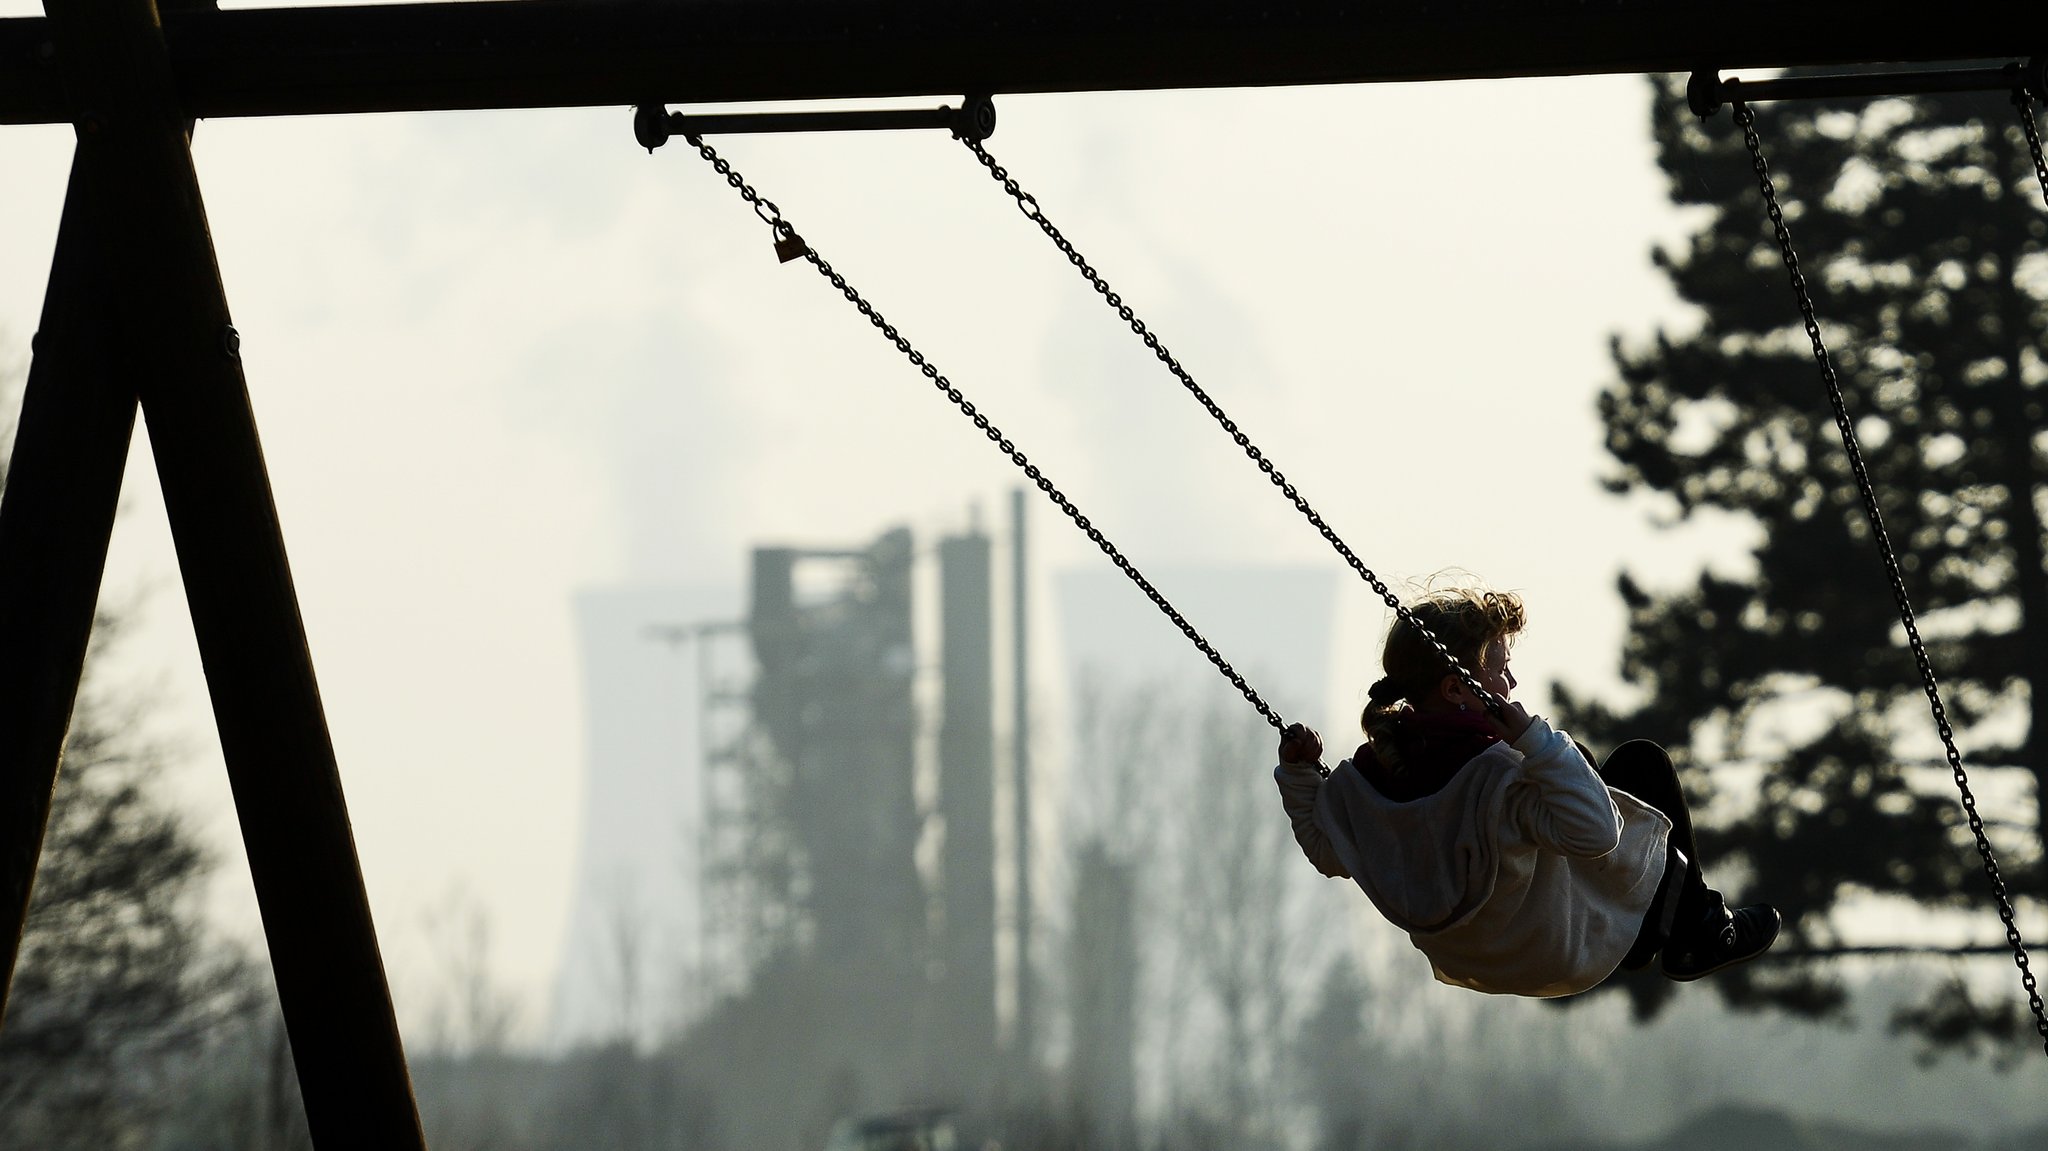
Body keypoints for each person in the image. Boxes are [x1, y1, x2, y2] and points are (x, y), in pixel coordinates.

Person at [1273, 584, 1779, 997]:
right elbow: (1600, 832)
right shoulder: (1499, 781)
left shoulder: (1370, 779)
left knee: (1570, 769)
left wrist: (1300, 776)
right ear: (1457, 690)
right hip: (1555, 942)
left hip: (1478, 954)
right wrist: (1537, 741)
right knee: (1636, 764)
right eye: (1498, 667)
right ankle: (1704, 930)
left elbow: (1325, 850)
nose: (1511, 681)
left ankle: (1679, 926)